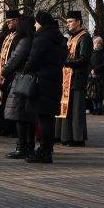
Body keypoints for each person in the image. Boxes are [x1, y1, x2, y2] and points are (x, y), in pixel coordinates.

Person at [23, 11, 67, 163]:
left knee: (42, 118)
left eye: (36, 22)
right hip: (54, 81)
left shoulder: (41, 38)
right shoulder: (59, 38)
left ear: (41, 23)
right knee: (48, 118)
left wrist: (26, 69)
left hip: (41, 82)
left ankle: (44, 152)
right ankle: (47, 149)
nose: (34, 25)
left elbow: (33, 59)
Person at [55, 10, 92, 146]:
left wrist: (66, 62)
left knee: (76, 110)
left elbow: (84, 59)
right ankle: (65, 136)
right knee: (67, 109)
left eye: (70, 21)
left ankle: (77, 138)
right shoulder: (71, 37)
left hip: (77, 78)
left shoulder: (85, 38)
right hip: (67, 78)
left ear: (78, 22)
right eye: (67, 22)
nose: (68, 24)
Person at [2, 15, 35, 159]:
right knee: (28, 116)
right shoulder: (33, 38)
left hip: (21, 80)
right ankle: (29, 145)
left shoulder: (24, 41)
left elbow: (15, 58)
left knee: (20, 115)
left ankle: (21, 147)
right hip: (30, 81)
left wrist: (4, 71)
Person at [0, 10, 23, 136]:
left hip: (12, 75)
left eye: (10, 22)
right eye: (7, 22)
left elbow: (16, 58)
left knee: (12, 103)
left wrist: (7, 73)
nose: (8, 24)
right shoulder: (8, 35)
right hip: (3, 73)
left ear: (16, 20)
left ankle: (12, 130)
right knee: (3, 102)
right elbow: (0, 56)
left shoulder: (19, 36)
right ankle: (4, 128)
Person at [88, 36, 104, 115]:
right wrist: (91, 70)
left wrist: (95, 70)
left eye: (99, 43)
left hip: (100, 75)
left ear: (101, 44)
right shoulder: (90, 52)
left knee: (99, 93)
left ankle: (99, 108)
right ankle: (95, 108)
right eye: (95, 43)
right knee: (92, 93)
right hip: (91, 75)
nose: (97, 45)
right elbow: (88, 63)